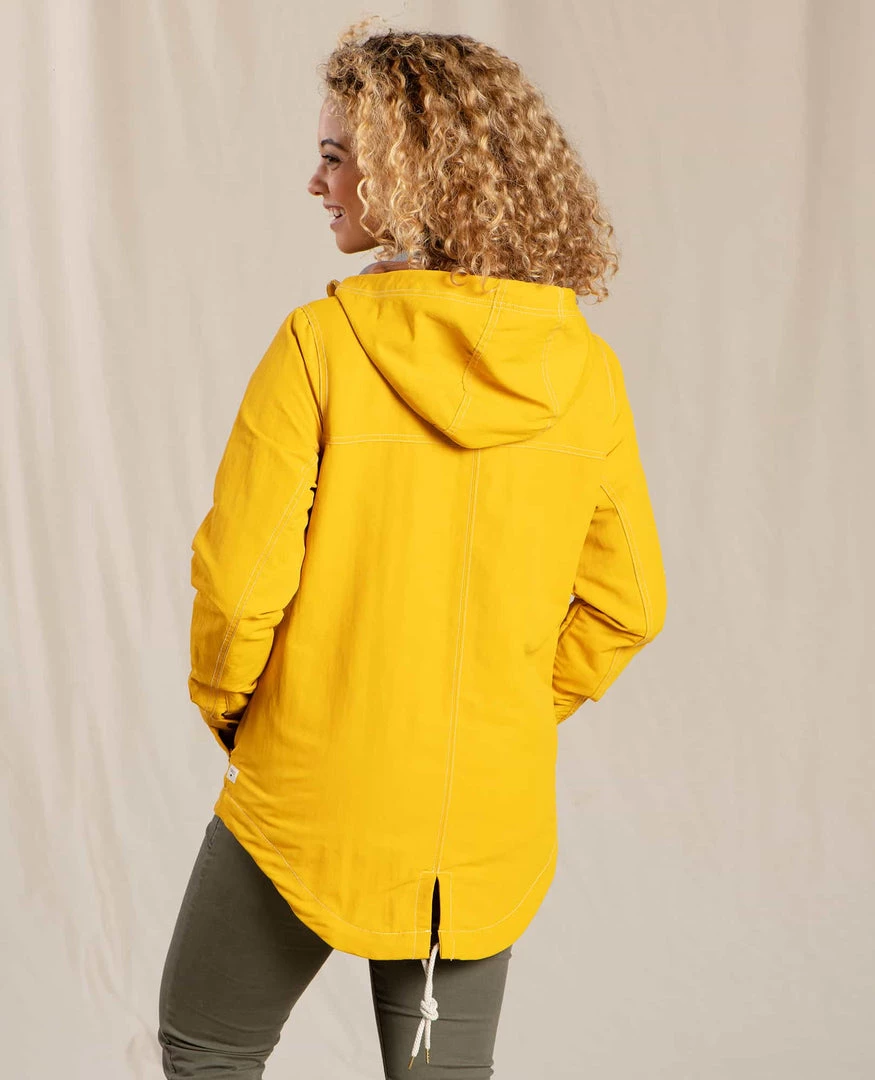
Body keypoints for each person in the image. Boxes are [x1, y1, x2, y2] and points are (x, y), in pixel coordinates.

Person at [157, 18, 668, 1080]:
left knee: (207, 1050)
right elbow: (628, 603)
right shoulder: (585, 373)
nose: (316, 182)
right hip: (483, 809)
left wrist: (242, 712)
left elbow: (240, 586)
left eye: (335, 156)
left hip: (307, 788)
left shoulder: (320, 345)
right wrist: (504, 710)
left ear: (409, 170)